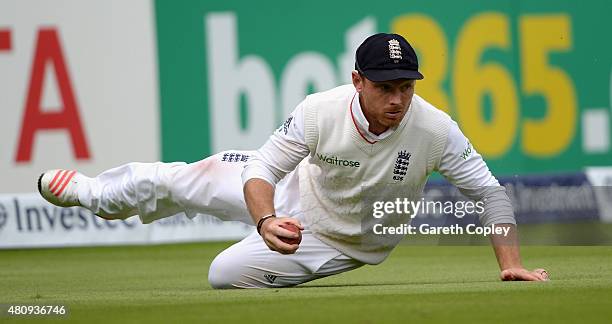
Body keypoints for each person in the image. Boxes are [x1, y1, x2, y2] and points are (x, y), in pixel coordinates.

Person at [38, 33, 548, 288]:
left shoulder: (435, 128)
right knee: (184, 179)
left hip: (344, 242)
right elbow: (261, 171)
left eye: (406, 88)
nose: (397, 100)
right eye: (385, 87)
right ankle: (90, 193)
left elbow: (489, 193)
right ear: (357, 82)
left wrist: (513, 265)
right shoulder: (318, 111)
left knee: (223, 275)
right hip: (291, 193)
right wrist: (263, 219)